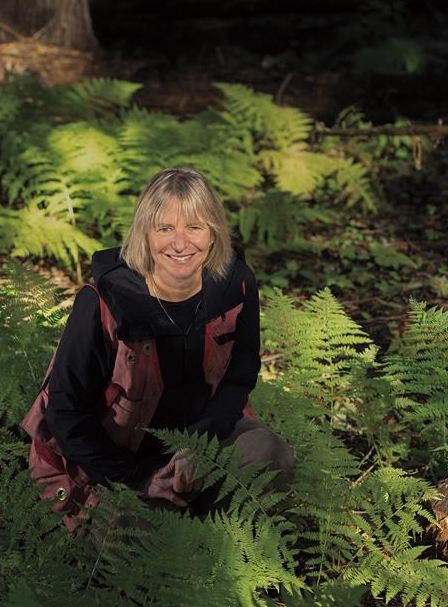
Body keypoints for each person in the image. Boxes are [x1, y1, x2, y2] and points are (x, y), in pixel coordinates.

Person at [22, 166, 294, 531]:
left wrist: (199, 445)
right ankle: (178, 539)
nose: (180, 244)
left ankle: (214, 538)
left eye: (194, 227)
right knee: (135, 537)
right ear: (144, 234)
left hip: (190, 455)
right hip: (111, 470)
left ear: (213, 233)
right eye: (165, 228)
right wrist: (140, 479)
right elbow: (66, 415)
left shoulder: (235, 286)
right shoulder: (104, 303)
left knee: (271, 453)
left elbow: (240, 375)